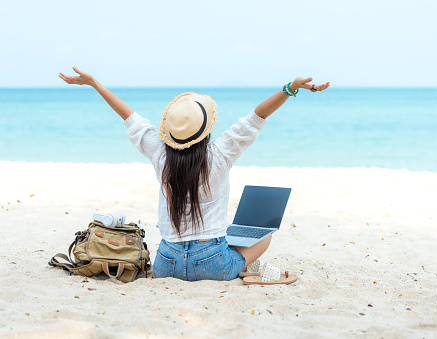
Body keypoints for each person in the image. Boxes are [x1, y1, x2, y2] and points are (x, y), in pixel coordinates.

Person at [59, 67, 330, 282]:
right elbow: (256, 117)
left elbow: (130, 118)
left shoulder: (160, 154)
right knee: (265, 235)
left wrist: (96, 85)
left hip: (166, 264)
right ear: (207, 131)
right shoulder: (220, 154)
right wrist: (290, 88)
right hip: (213, 264)